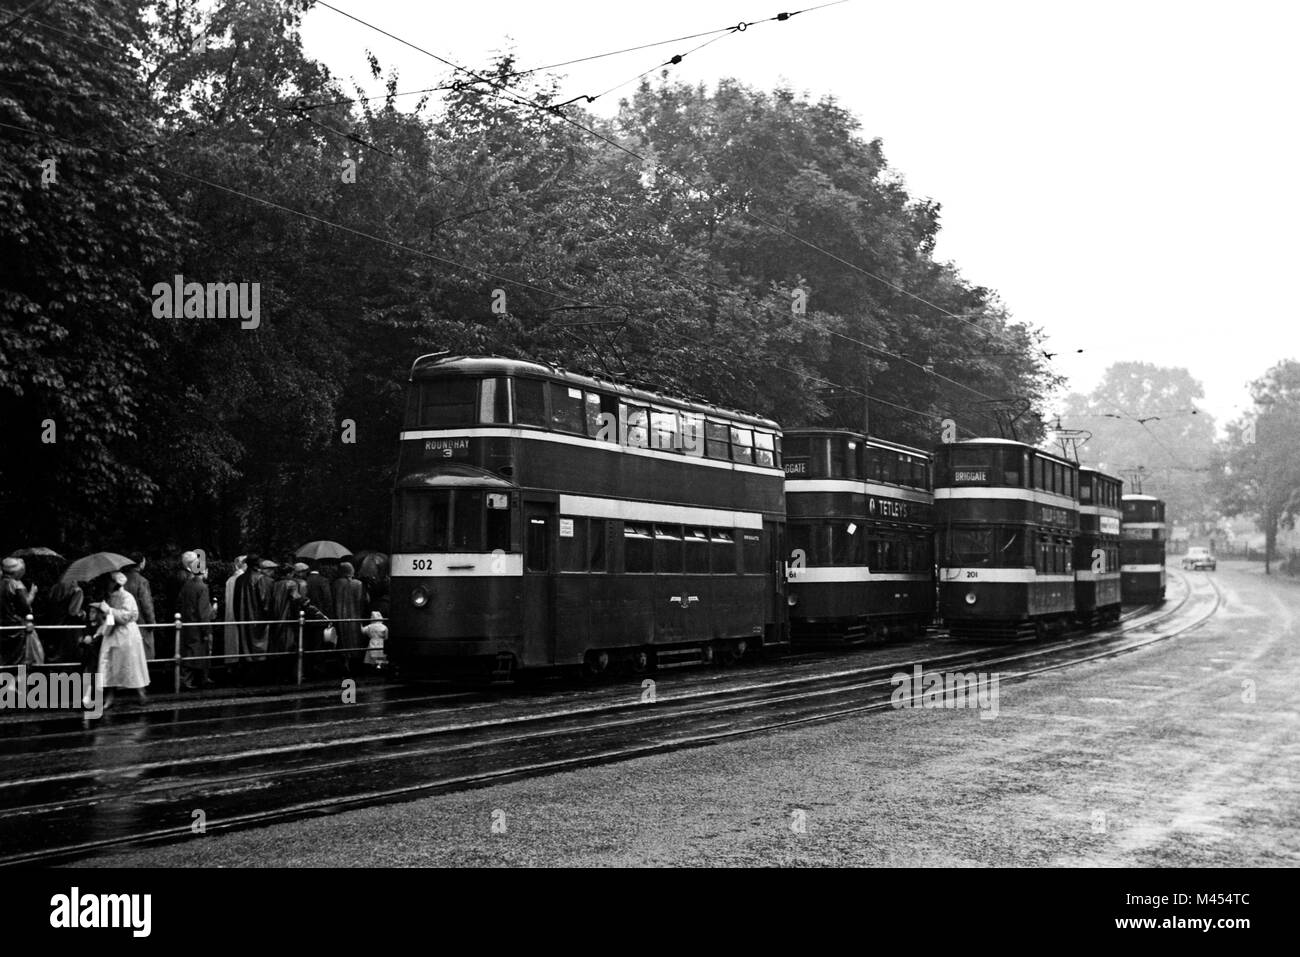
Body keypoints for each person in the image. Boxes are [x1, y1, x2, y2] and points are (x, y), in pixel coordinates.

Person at [94, 571, 150, 708]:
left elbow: (126, 616)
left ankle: (141, 693)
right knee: (110, 665)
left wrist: (108, 610)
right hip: (113, 634)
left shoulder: (127, 597)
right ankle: (110, 697)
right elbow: (111, 618)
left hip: (126, 635)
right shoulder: (109, 598)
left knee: (131, 665)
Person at [177, 551, 213, 689]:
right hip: (198, 626)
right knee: (198, 652)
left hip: (187, 623)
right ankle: (191, 681)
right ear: (203, 571)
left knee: (188, 652)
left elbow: (179, 602)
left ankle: (187, 680)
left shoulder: (187, 585)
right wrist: (207, 631)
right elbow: (203, 612)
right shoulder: (203, 587)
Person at [234, 554, 273, 671]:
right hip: (258, 620)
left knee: (245, 648)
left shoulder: (240, 579)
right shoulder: (261, 578)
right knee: (260, 651)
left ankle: (247, 674)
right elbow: (265, 603)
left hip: (243, 619)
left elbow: (235, 602)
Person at [0, 557, 41, 666]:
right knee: (19, 656)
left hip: (3, 624)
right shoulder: (16, 584)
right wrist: (32, 593)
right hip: (16, 625)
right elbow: (25, 606)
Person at [331, 561, 365, 673]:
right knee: (355, 639)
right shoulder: (358, 584)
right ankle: (354, 662)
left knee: (342, 638)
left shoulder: (336, 583)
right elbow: (361, 601)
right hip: (355, 615)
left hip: (340, 615)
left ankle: (344, 660)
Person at [122, 552, 157, 660]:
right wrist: (151, 623)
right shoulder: (142, 581)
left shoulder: (120, 580)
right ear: (141, 563)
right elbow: (146, 605)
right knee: (142, 658)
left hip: (122, 624)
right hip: (140, 624)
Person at [222, 555, 246, 667]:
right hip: (239, 614)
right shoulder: (243, 579)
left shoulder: (230, 580)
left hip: (230, 614)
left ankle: (231, 664)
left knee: (231, 641)